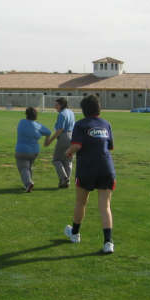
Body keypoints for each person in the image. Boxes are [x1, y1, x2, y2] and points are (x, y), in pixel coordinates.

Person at [63, 95, 115, 254]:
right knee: (105, 206)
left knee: (81, 202)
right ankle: (108, 243)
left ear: (84, 109)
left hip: (87, 168)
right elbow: (110, 147)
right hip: (106, 167)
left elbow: (77, 145)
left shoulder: (80, 124)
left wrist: (68, 152)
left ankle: (75, 233)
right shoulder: (106, 124)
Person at [15, 107, 51, 192]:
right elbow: (48, 132)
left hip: (22, 150)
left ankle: (28, 183)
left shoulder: (21, 122)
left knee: (23, 168)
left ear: (26, 115)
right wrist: (46, 142)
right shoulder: (37, 125)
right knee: (28, 167)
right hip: (34, 152)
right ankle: (27, 185)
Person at [45, 97, 75, 188]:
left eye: (57, 104)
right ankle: (66, 183)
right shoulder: (71, 112)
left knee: (56, 160)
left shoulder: (62, 114)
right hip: (72, 136)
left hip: (64, 137)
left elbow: (60, 129)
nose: (55, 106)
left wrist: (50, 140)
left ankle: (64, 178)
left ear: (61, 105)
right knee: (68, 160)